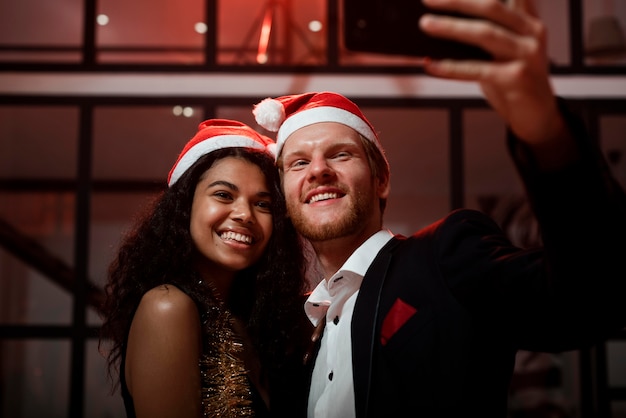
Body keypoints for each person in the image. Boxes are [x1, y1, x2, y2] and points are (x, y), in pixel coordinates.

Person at [250, 0, 626, 416]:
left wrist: (545, 130)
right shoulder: (297, 333)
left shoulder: (444, 258)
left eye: (340, 155)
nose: (318, 170)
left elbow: (594, 298)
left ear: (381, 179)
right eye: (299, 162)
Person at [98, 119, 312, 418]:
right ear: (185, 206)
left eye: (263, 204)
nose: (244, 214)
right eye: (224, 195)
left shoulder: (254, 320)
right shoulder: (168, 306)